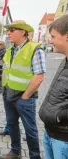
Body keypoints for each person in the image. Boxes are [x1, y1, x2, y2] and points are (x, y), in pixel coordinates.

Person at [0, 20, 46, 159]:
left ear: (23, 32)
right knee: (12, 124)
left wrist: (25, 96)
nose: (8, 33)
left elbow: (39, 76)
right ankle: (15, 152)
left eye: (12, 30)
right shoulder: (10, 50)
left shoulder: (35, 49)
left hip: (24, 97)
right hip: (8, 94)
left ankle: (35, 156)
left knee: (30, 130)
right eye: (8, 30)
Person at [39, 14, 68, 159]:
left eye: (53, 36)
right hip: (51, 133)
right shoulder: (65, 61)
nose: (50, 41)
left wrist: (58, 117)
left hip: (63, 140)